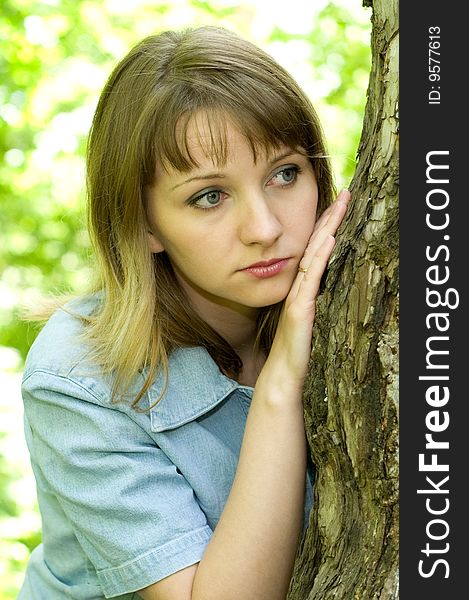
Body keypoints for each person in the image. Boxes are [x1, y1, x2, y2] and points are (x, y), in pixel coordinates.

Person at [18, 25, 350, 600]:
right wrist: (279, 387)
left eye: (284, 173)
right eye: (209, 197)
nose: (265, 229)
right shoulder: (79, 377)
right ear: (144, 224)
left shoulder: (359, 309)